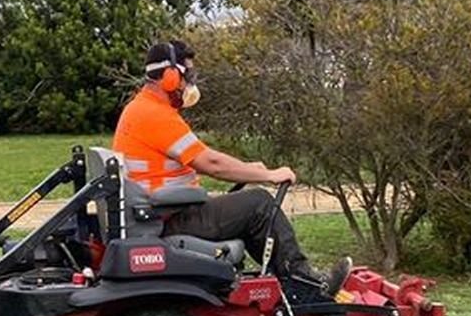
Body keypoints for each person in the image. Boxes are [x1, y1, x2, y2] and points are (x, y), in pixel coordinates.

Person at [112, 40, 351, 296]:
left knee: (243, 209)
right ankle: (308, 282)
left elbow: (198, 157)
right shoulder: (156, 115)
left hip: (160, 214)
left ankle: (285, 286)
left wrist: (248, 168)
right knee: (258, 203)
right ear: (170, 77)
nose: (190, 83)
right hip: (170, 218)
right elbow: (210, 163)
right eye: (188, 75)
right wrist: (268, 175)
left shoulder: (140, 108)